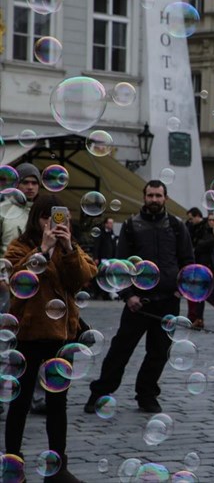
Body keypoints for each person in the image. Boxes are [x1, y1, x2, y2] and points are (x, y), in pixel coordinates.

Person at [4, 195, 97, 483]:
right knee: (20, 403)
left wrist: (67, 246)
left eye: (58, 217)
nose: (52, 223)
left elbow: (83, 277)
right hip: (29, 334)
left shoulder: (69, 246)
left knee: (58, 403)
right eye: (47, 217)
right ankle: (12, 464)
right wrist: (42, 249)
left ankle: (58, 467)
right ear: (36, 219)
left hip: (61, 335)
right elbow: (12, 277)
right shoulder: (21, 246)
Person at [86, 180, 194, 414]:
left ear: (165, 197)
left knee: (158, 353)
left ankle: (146, 395)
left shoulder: (176, 225)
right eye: (150, 195)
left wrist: (181, 289)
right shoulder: (132, 225)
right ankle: (100, 392)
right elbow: (121, 264)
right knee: (120, 350)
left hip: (167, 300)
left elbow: (187, 261)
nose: (154, 199)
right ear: (144, 197)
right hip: (138, 302)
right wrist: (128, 295)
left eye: (158, 195)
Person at [0, 163, 41, 312]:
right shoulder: (3, 210)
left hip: (36, 279)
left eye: (34, 182)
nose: (30, 187)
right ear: (17, 184)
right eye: (25, 182)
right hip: (6, 279)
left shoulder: (43, 212)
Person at [91, 217, 118, 300]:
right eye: (110, 223)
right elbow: (96, 246)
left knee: (108, 276)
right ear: (105, 224)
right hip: (102, 258)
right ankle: (97, 294)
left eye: (112, 223)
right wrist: (95, 257)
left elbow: (114, 247)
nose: (111, 225)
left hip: (110, 259)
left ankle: (106, 294)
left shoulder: (112, 234)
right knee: (100, 276)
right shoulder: (101, 233)